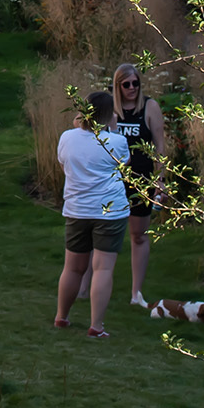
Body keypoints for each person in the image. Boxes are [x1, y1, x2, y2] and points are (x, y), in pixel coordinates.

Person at [53, 89, 129, 338]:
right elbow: (123, 164)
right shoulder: (116, 141)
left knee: (72, 267)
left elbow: (64, 164)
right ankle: (96, 326)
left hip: (77, 210)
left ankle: (62, 316)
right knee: (103, 269)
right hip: (110, 212)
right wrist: (113, 129)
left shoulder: (67, 138)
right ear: (109, 116)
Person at [108, 62, 169, 302]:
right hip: (113, 181)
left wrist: (160, 180)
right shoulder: (110, 110)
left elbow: (160, 147)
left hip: (141, 180)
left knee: (139, 235)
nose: (132, 88)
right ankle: (91, 286)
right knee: (104, 233)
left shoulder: (150, 107)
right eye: (127, 84)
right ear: (118, 86)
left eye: (136, 83)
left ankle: (136, 293)